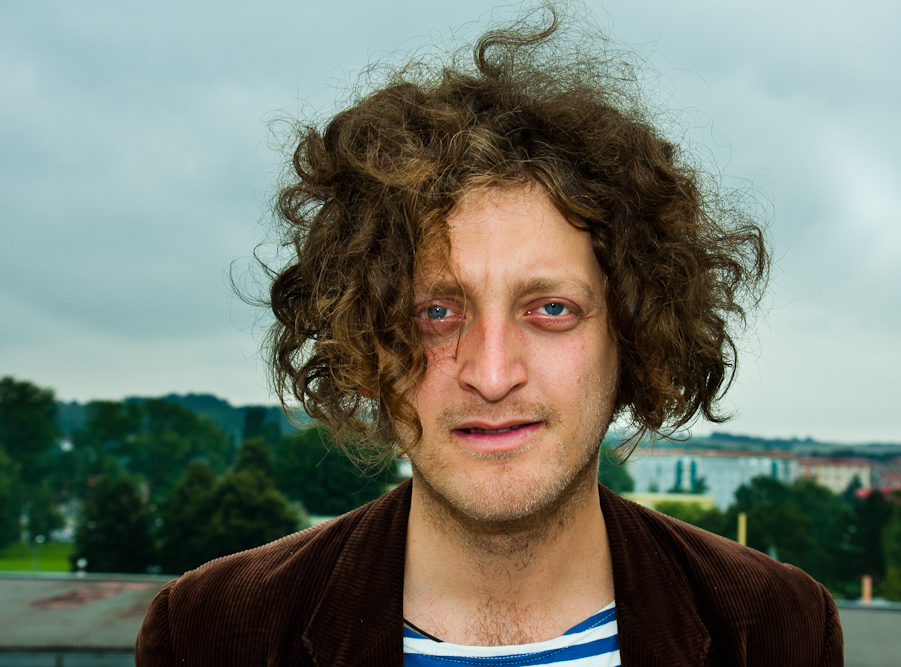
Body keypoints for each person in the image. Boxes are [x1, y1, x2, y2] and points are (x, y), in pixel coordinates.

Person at [136, 9, 843, 667]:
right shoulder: (208, 634)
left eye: (552, 309)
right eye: (436, 313)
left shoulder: (777, 630)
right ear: (366, 341)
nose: (493, 372)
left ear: (632, 333)